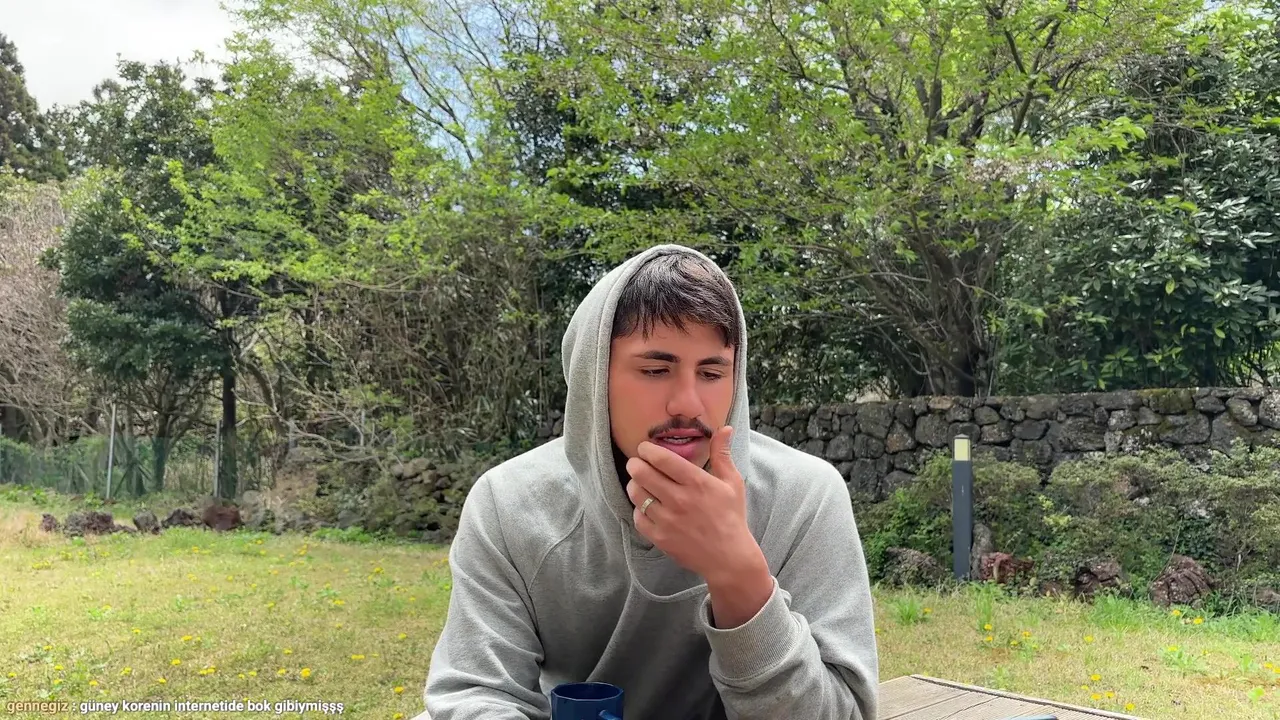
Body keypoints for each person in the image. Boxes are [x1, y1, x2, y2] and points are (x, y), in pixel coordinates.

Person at [420, 244, 879, 719]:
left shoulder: (804, 498)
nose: (688, 404)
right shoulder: (509, 503)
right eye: (656, 370)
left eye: (711, 372)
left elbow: (843, 712)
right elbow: (476, 693)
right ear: (594, 378)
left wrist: (737, 574)